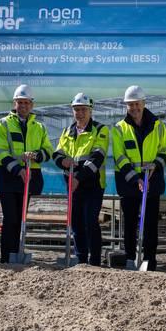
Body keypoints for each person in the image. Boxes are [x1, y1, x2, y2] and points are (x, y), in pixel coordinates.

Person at [112, 85, 166, 271]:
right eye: (130, 104)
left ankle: (150, 261)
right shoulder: (119, 128)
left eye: (137, 104)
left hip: (152, 182)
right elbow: (119, 157)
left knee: (150, 225)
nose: (134, 108)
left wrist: (156, 165)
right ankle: (130, 258)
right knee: (129, 224)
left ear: (144, 103)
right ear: (126, 106)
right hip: (129, 184)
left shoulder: (158, 126)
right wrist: (135, 179)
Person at [0, 84, 54, 263]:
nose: (23, 106)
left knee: (20, 218)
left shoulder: (39, 127)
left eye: (26, 102)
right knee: (10, 218)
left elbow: (48, 150)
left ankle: (17, 253)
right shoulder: (3, 124)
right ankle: (7, 257)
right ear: (15, 103)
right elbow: (1, 151)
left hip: (28, 177)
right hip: (8, 176)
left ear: (32, 105)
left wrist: (36, 155)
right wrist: (18, 169)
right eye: (20, 102)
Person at [53, 93, 109, 266]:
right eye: (77, 110)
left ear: (90, 110)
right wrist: (62, 161)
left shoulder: (100, 129)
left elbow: (97, 157)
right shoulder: (67, 132)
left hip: (93, 184)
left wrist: (78, 177)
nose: (80, 113)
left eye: (83, 109)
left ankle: (95, 260)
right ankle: (81, 259)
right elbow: (57, 153)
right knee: (76, 223)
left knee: (90, 221)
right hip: (72, 185)